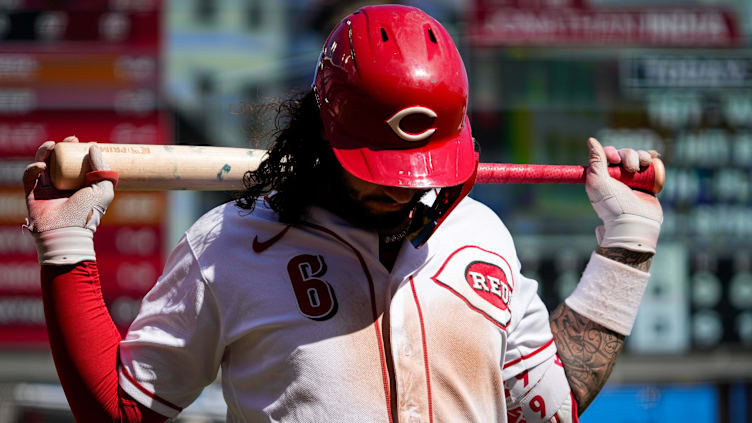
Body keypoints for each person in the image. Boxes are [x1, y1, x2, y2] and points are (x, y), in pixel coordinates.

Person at [23, 5, 662, 423]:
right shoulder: (227, 246)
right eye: (383, 174)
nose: (407, 193)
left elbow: (545, 408)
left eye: (424, 174)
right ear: (325, 137)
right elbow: (122, 411)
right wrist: (66, 251)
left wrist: (626, 247)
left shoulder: (483, 234)